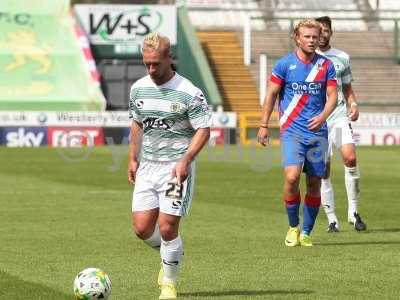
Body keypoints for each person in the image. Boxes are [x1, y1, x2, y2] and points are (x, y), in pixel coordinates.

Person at [127, 33, 211, 299]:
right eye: (147, 64)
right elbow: (137, 123)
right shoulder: (139, 88)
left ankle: (169, 283)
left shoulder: (188, 91)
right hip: (148, 166)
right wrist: (132, 157)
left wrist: (186, 159)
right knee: (142, 229)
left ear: (169, 59)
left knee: (166, 227)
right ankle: (170, 253)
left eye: (156, 64)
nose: (151, 69)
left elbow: (204, 130)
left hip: (176, 169)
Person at [257, 19, 338, 247]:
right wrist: (264, 125)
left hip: (318, 133)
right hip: (292, 131)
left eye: (315, 37)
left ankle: (306, 232)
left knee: (314, 182)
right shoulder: (284, 65)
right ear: (297, 37)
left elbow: (333, 96)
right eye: (308, 37)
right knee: (292, 178)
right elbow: (271, 94)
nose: (312, 41)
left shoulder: (326, 66)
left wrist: (322, 116)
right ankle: (293, 226)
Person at [316, 16, 367, 232]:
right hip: (316, 120)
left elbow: (346, 87)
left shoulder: (342, 58)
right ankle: (331, 219)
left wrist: (353, 104)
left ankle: (353, 213)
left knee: (350, 157)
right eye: (318, 31)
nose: (322, 34)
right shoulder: (305, 59)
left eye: (326, 30)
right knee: (323, 170)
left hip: (338, 116)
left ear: (331, 32)